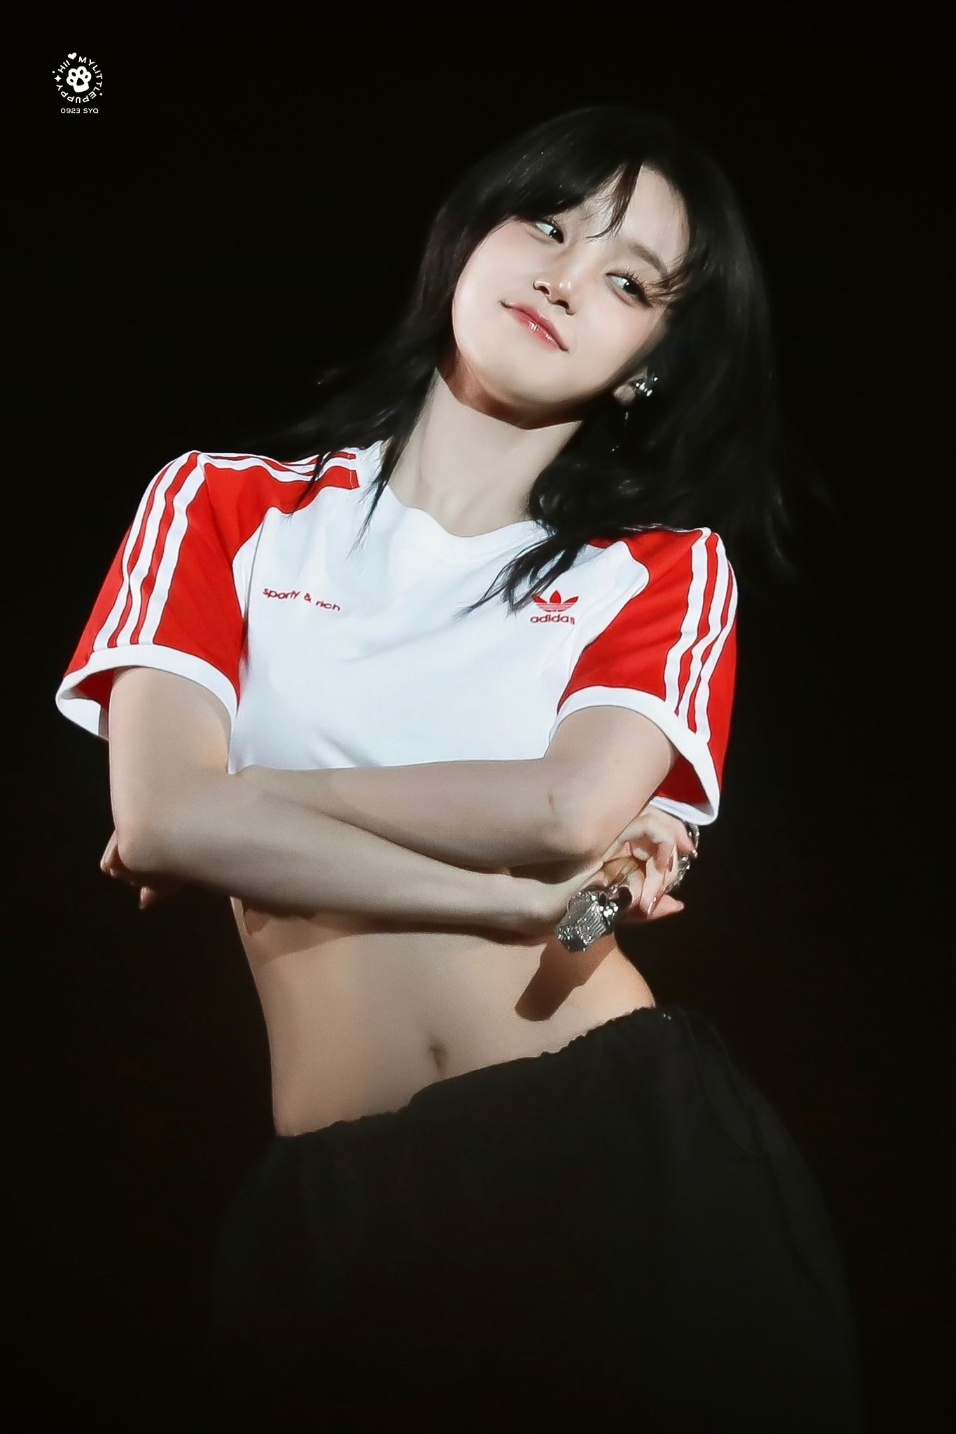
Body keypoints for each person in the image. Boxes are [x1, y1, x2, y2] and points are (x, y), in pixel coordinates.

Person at [56, 106, 862, 1432]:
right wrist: (502, 898)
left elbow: (567, 815)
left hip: (614, 1147)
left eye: (629, 282)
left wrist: (238, 804)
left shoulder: (661, 570)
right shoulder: (222, 506)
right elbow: (160, 821)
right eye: (547, 223)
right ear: (466, 239)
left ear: (652, 361)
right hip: (341, 1202)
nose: (566, 277)